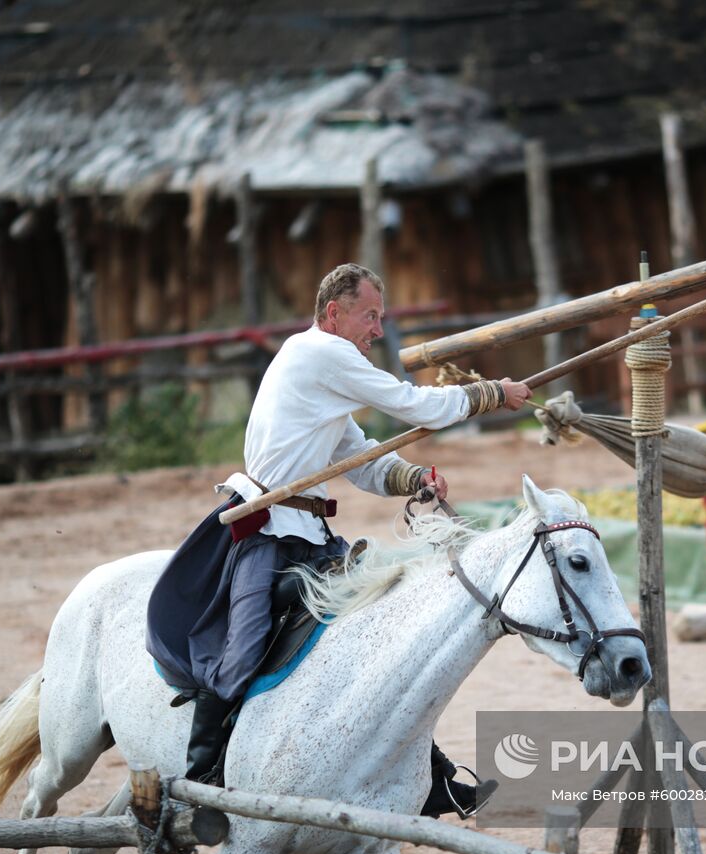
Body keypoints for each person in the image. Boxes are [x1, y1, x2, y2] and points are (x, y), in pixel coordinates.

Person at [146, 263, 531, 818]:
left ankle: (433, 779)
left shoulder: (323, 373)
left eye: (380, 317)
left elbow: (359, 458)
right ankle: (201, 780)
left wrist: (411, 478)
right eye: (369, 315)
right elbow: (416, 406)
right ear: (334, 313)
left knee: (377, 642)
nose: (377, 329)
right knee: (243, 651)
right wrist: (492, 392)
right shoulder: (322, 354)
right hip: (269, 530)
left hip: (310, 533)